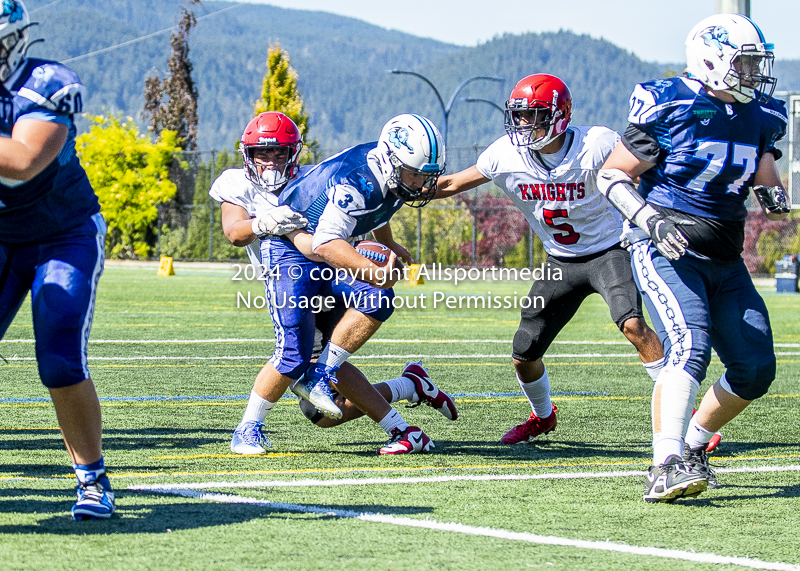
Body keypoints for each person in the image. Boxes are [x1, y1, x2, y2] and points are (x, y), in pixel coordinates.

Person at [596, 13, 788, 503]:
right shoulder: (671, 103)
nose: (753, 72)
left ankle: (695, 447)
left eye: (755, 63)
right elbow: (612, 175)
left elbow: (761, 161)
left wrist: (773, 193)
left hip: (726, 257)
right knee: (689, 346)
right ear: (712, 60)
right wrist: (649, 220)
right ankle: (663, 464)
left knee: (755, 367)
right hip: (666, 247)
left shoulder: (761, 113)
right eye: (744, 62)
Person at [435, 73, 664, 444]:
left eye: (533, 115)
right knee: (524, 351)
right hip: (560, 261)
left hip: (610, 250)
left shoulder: (597, 144)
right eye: (519, 115)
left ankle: (679, 419)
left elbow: (644, 173)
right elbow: (451, 184)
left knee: (633, 326)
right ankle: (543, 417)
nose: (523, 123)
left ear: (559, 115)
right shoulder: (504, 154)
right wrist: (401, 189)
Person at [210, 112, 456, 456]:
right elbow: (235, 233)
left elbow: (375, 207)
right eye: (263, 154)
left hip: (327, 263)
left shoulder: (315, 176)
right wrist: (265, 221)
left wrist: (385, 243)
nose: (271, 162)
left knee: (374, 304)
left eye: (280, 153)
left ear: (294, 153)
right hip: (291, 269)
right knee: (318, 406)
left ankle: (398, 425)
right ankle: (406, 389)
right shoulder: (237, 183)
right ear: (248, 155)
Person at [0, 0, 113, 519]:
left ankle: (93, 480)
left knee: (59, 357)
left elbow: (24, 161)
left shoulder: (47, 83)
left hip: (62, 232)